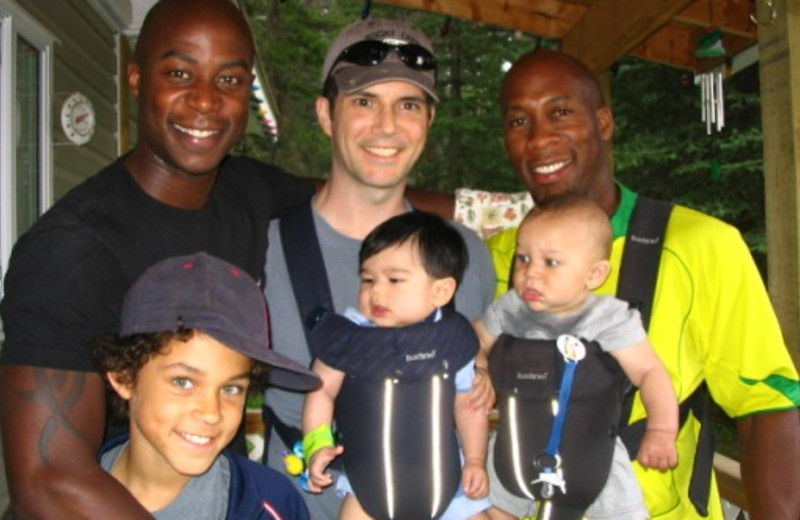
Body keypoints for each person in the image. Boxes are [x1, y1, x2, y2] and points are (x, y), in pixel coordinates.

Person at [0, 1, 314, 518]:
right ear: (137, 78)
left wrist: (470, 206)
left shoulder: (247, 189)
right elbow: (49, 480)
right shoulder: (73, 248)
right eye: (179, 73)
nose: (207, 101)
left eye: (230, 80)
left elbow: (347, 198)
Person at [473, 49, 800, 520]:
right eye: (518, 121)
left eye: (560, 112)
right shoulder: (495, 257)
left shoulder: (700, 245)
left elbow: (766, 403)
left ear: (604, 123)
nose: (539, 138)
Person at [263, 17, 496, 519]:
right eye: (364, 101)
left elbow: (476, 393)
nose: (387, 126)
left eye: (408, 105)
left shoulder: (466, 255)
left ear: (429, 121)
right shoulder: (264, 249)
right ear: (327, 114)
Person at [473, 195, 678, 519]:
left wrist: (662, 431)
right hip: (514, 448)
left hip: (593, 458)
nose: (531, 273)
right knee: (473, 505)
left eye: (550, 262)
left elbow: (650, 372)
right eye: (524, 258)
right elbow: (476, 340)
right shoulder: (510, 309)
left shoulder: (609, 318)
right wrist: (480, 366)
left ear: (594, 274)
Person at [93, 252, 318, 519]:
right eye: (183, 382)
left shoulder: (272, 505)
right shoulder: (58, 496)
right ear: (123, 376)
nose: (211, 412)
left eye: (231, 389)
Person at [302, 212, 491, 520]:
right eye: (368, 279)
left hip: (446, 481)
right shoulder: (348, 337)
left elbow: (469, 404)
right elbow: (320, 390)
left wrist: (475, 459)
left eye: (394, 280)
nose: (376, 291)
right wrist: (317, 445)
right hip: (367, 485)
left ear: (440, 291)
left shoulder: (452, 339)